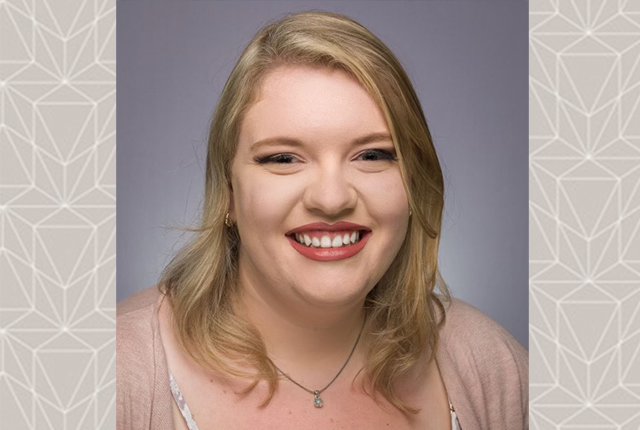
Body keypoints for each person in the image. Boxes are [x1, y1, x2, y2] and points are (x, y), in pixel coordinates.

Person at [117, 10, 528, 430]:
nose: (331, 200)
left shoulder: (491, 363)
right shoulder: (115, 371)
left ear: (413, 186)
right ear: (228, 193)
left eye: (372, 155)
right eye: (283, 158)